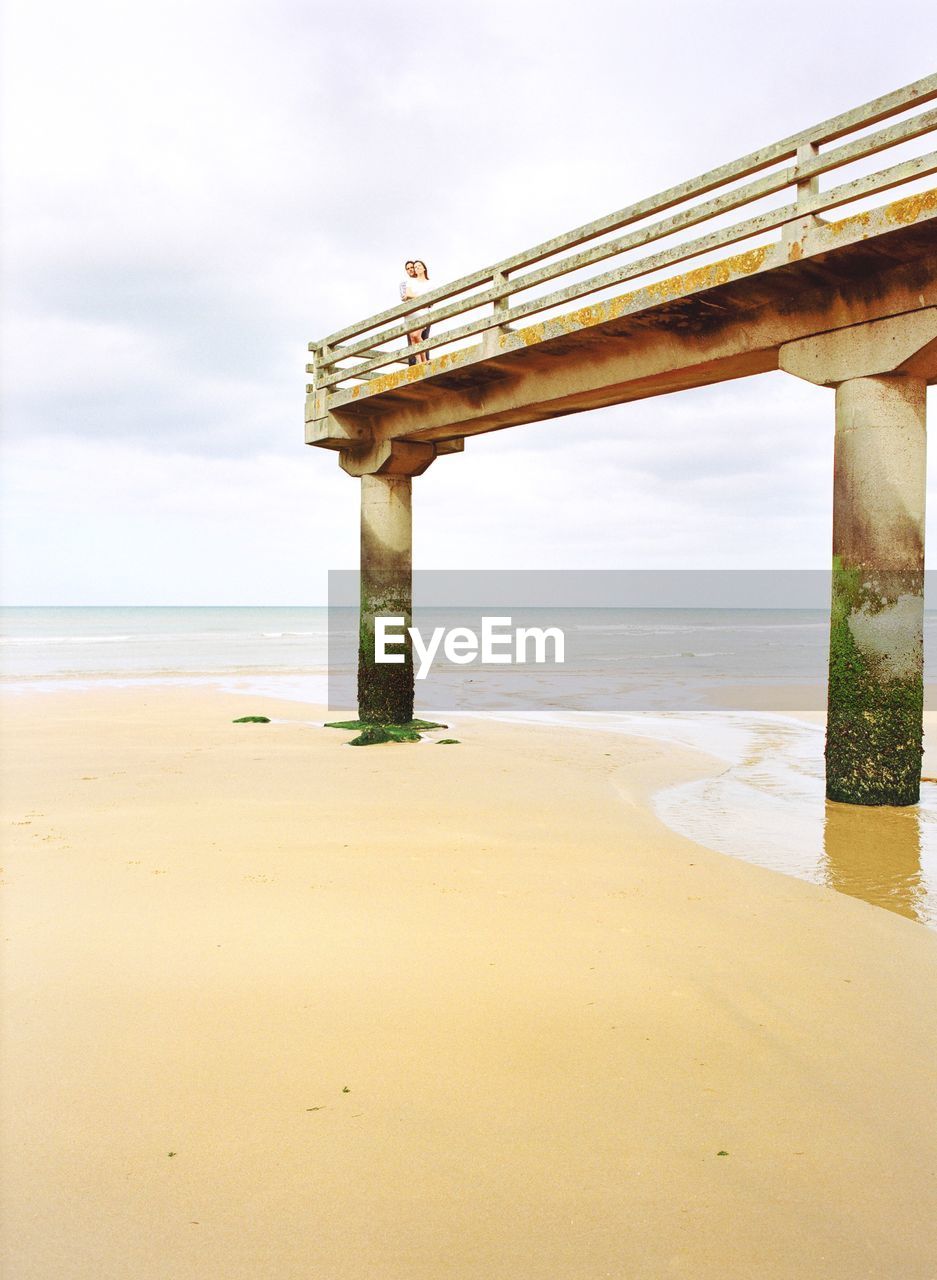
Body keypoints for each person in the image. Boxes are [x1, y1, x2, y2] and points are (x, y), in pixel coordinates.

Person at [399, 258, 432, 365]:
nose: (411, 270)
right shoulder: (407, 283)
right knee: (412, 339)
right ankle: (417, 363)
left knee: (421, 336)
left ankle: (425, 361)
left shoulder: (427, 282)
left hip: (422, 312)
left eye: (412, 267)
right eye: (408, 269)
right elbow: (405, 297)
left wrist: (412, 297)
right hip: (411, 313)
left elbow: (429, 301)